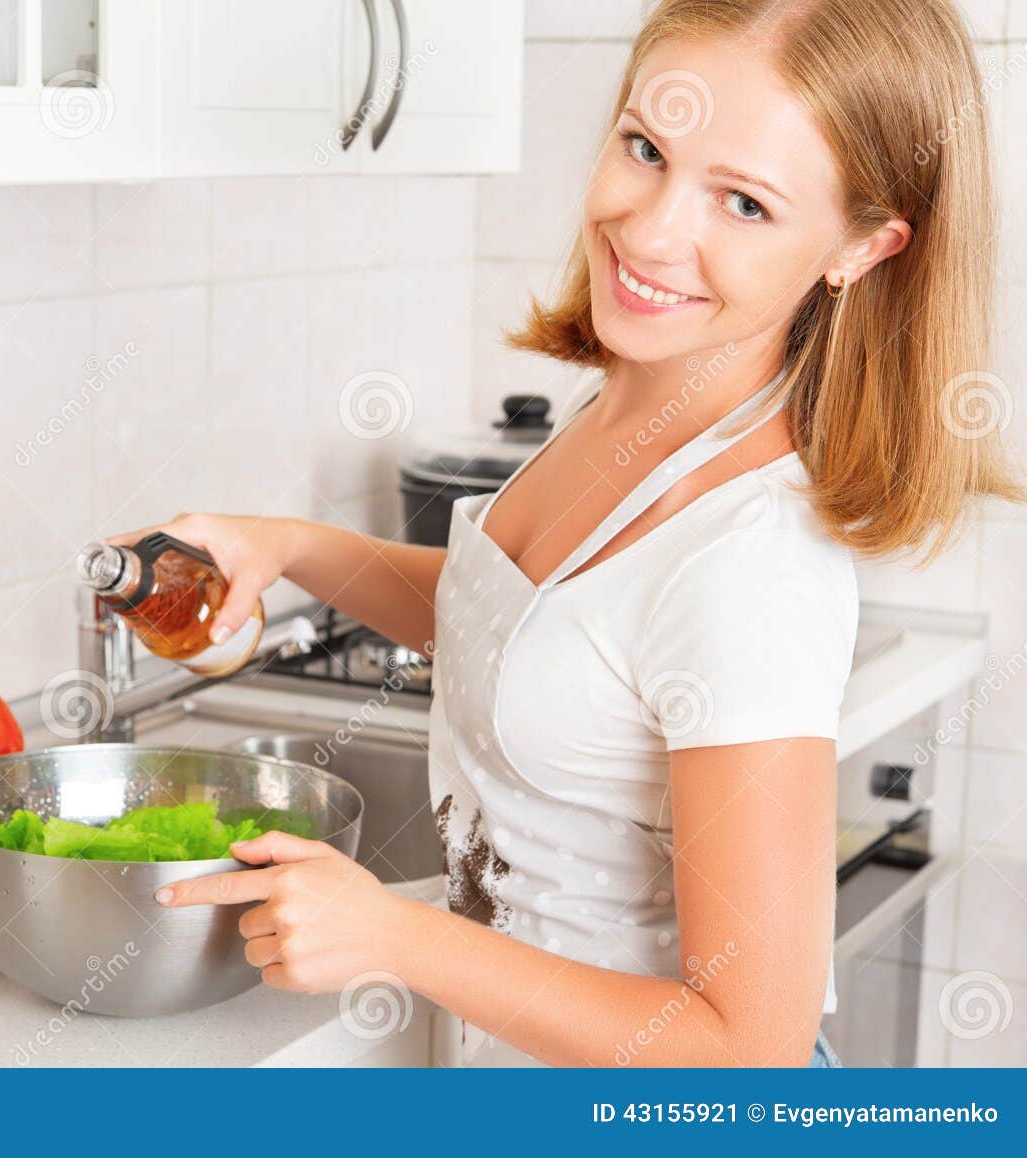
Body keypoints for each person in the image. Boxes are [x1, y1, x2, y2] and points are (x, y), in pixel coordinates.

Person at [110, 0, 1021, 1066]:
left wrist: (395, 937)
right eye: (646, 148)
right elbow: (529, 634)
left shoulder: (751, 569)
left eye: (742, 202)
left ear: (862, 245)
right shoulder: (644, 403)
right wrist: (293, 547)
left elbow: (750, 1047)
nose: (648, 231)